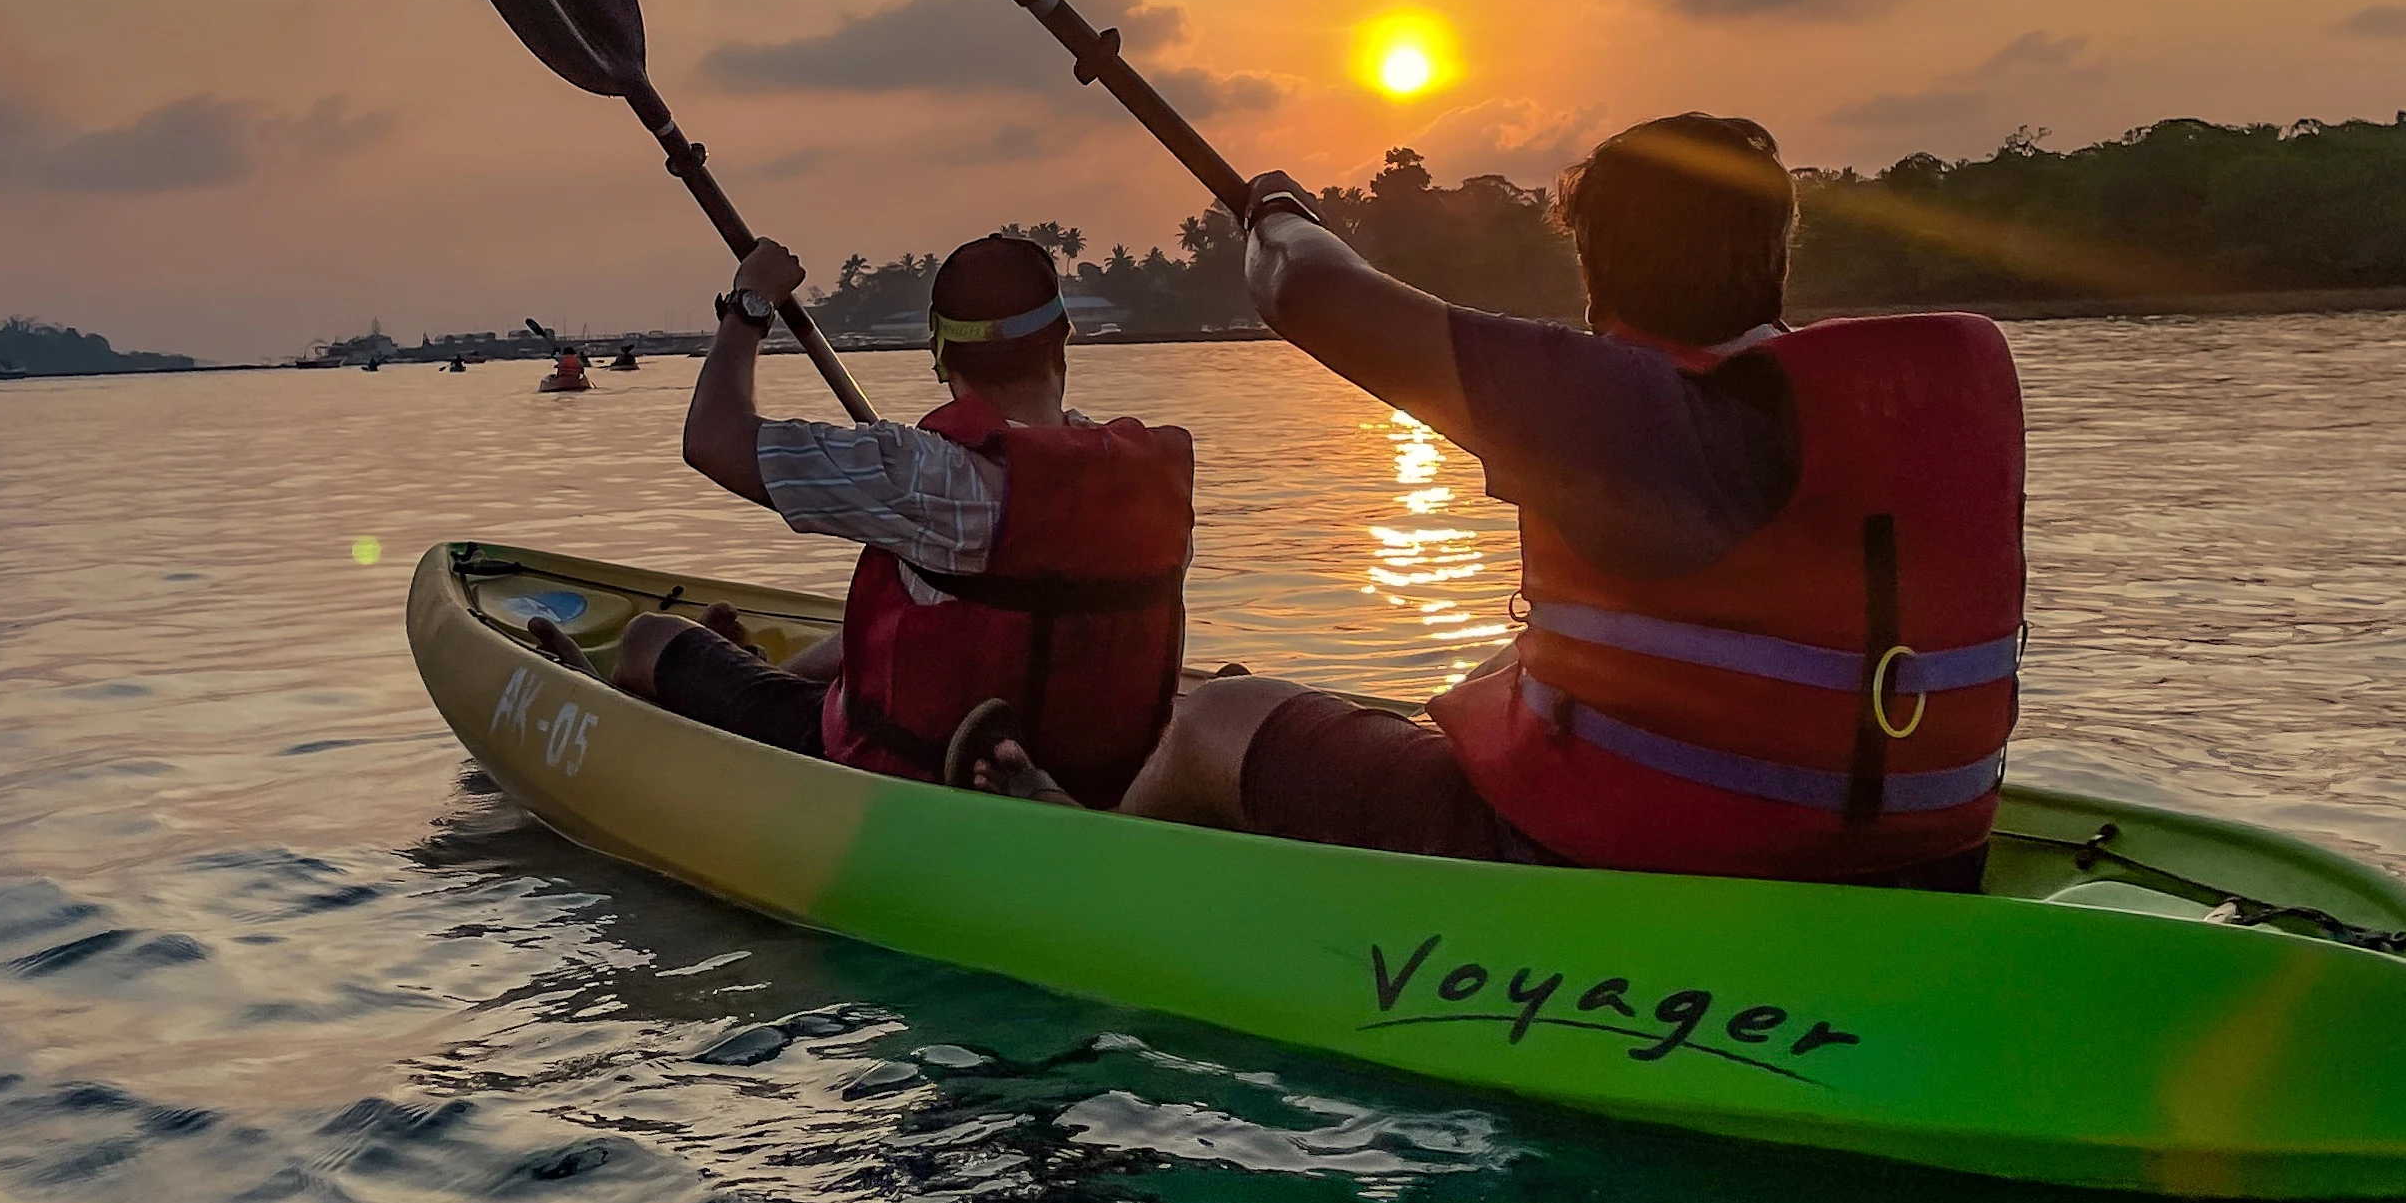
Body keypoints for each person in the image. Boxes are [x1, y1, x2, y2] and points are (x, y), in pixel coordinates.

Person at [975, 114, 2022, 889]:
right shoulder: (1934, 393)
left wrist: (1280, 211)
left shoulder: (1616, 403)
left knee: (1215, 714)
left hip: (1631, 863)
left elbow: (1303, 290)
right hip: (1920, 853)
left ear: (1594, 266)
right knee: (1490, 674)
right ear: (1775, 254)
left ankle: (1085, 875)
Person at [579, 231, 1196, 808]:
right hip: (1103, 776)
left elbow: (712, 438)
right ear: (1063, 337)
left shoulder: (923, 473)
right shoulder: (1152, 480)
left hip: (903, 780)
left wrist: (751, 302)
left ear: (940, 354)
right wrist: (778, 673)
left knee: (646, 638)